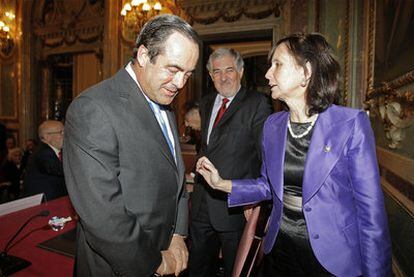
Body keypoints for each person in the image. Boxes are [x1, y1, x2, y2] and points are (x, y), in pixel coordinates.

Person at [196, 33, 391, 277]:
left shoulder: (350, 124)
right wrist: (222, 184)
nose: (268, 74)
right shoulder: (273, 125)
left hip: (333, 258)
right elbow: (267, 186)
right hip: (279, 250)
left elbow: (370, 213)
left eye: (277, 64)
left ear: (305, 71)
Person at [63, 15, 200, 276]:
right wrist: (153, 263)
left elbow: (177, 179)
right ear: (144, 55)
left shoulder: (163, 102)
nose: (181, 83)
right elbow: (103, 215)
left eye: (188, 74)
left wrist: (178, 234)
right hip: (121, 266)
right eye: (173, 70)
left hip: (166, 250)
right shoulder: (93, 108)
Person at [189, 48, 272, 277]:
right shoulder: (206, 104)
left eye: (229, 70)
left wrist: (253, 201)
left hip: (234, 208)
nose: (223, 77)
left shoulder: (257, 104)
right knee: (197, 269)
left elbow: (264, 156)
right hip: (201, 207)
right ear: (210, 75)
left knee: (236, 271)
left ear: (241, 71)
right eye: (217, 72)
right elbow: (208, 146)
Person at [24, 120, 66, 201]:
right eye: (61, 132)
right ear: (47, 137)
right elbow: (60, 170)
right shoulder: (43, 152)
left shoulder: (54, 151)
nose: (65, 135)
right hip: (45, 202)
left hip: (54, 199)